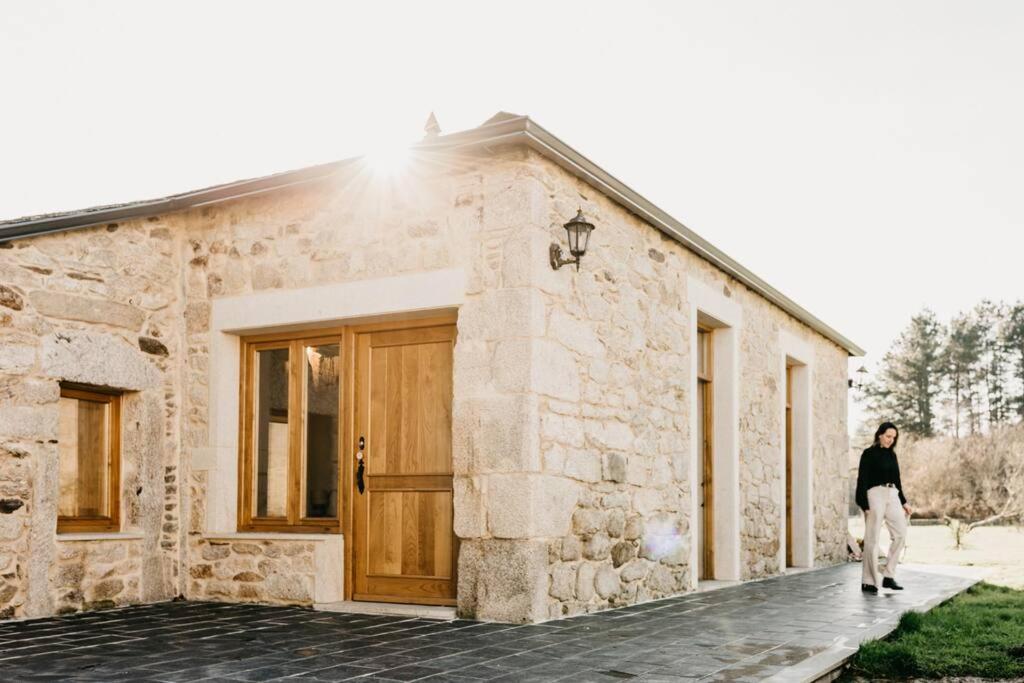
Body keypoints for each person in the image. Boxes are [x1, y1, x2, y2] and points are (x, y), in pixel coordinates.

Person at [855, 421, 911, 593]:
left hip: (892, 494)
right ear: (880, 434)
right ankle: (869, 581)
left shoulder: (892, 456)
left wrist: (904, 501)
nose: (890, 440)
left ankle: (888, 575)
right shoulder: (868, 454)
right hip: (875, 495)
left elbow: (898, 481)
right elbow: (862, 479)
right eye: (888, 436)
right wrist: (864, 504)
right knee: (872, 539)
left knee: (901, 534)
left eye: (893, 438)